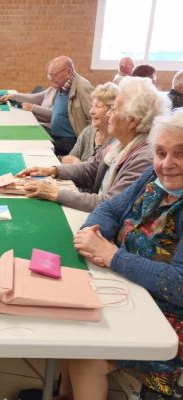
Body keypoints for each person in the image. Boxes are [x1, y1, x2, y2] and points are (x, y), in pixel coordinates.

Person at [56, 109, 183, 400]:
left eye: (181, 153)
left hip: (169, 317)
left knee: (85, 356)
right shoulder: (153, 176)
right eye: (161, 153)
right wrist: (93, 234)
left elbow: (179, 284)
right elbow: (110, 209)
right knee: (68, 319)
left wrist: (113, 256)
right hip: (131, 288)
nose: (167, 164)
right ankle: (64, 394)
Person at [17, 77, 168, 212]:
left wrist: (56, 193)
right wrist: (53, 170)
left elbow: (110, 203)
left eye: (114, 109)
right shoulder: (121, 144)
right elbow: (91, 168)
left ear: (132, 121)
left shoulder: (143, 159)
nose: (108, 114)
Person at [46, 55, 94, 156]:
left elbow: (93, 119)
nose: (51, 79)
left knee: (42, 148)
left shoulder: (83, 87)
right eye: (49, 75)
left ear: (68, 72)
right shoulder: (61, 85)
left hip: (71, 140)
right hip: (57, 135)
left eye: (53, 75)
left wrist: (84, 147)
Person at [62, 82, 120, 164]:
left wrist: (79, 164)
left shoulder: (117, 141)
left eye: (98, 107)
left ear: (112, 110)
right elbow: (69, 159)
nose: (91, 111)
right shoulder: (88, 131)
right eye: (92, 106)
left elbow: (103, 170)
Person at [0, 66, 56, 131]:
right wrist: (13, 96)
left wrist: (33, 108)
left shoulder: (63, 95)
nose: (50, 78)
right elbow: (34, 98)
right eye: (49, 75)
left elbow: (55, 113)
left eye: (53, 75)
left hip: (46, 127)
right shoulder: (52, 89)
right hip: (38, 121)